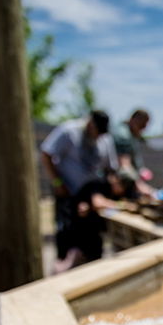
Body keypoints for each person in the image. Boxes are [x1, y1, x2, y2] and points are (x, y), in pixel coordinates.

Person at [39, 110, 118, 272]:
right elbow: (46, 154)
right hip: (69, 196)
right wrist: (58, 182)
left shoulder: (105, 139)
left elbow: (111, 169)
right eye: (97, 132)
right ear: (90, 124)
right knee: (68, 241)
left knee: (94, 245)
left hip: (92, 197)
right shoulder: (69, 132)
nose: (98, 137)